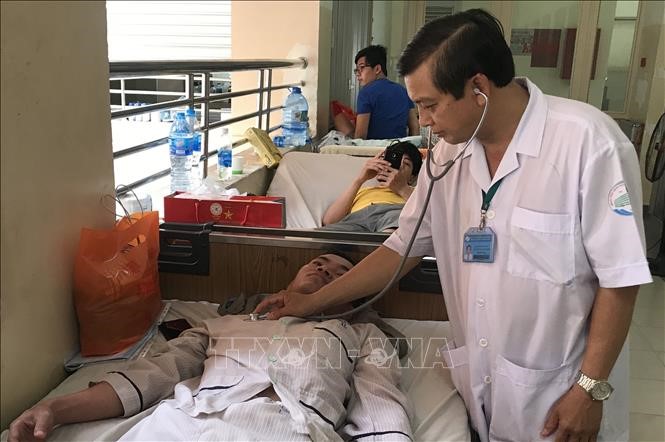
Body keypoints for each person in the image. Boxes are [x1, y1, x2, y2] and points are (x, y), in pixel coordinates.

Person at [256, 9, 653, 442]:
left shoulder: (589, 143)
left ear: (478, 88)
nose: (423, 120)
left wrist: (590, 389)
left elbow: (620, 278)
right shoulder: (448, 155)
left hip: (560, 392)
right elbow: (402, 246)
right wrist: (310, 303)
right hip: (483, 387)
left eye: (430, 105)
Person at [8, 253, 413, 442]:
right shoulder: (225, 325)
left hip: (284, 428)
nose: (325, 269)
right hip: (182, 423)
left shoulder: (361, 335)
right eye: (319, 262)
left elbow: (381, 406)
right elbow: (152, 376)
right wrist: (54, 410)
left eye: (342, 273)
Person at [320, 141, 422, 233]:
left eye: (406, 163)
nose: (399, 166)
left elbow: (427, 214)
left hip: (394, 214)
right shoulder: (362, 191)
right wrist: (360, 179)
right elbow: (329, 221)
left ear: (412, 177)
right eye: (396, 160)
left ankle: (385, 242)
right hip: (358, 220)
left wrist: (402, 188)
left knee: (394, 223)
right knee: (325, 235)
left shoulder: (416, 193)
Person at [333, 45, 419, 140]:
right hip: (398, 147)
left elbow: (360, 137)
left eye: (362, 67)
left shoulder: (366, 93)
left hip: (373, 148)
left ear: (377, 69)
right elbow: (415, 128)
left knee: (337, 114)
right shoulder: (403, 91)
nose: (358, 73)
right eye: (356, 70)